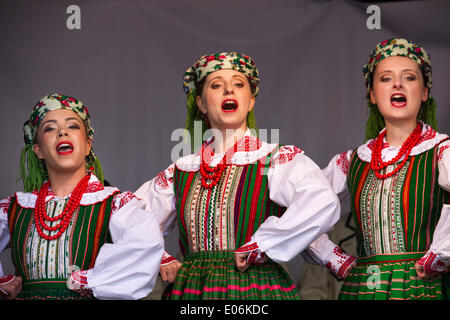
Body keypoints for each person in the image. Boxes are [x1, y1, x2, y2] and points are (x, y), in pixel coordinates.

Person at [134, 52, 341, 299]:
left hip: (255, 290)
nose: (228, 90)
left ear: (251, 100)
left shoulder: (272, 160)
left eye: (238, 84)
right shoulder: (182, 170)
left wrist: (264, 243)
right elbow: (131, 217)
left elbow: (321, 201)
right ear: (200, 102)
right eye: (217, 84)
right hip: (193, 292)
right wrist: (158, 256)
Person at [305, 38, 450, 300]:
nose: (397, 84)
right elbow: (299, 211)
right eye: (385, 78)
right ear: (372, 94)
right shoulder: (352, 161)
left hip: (424, 287)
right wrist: (332, 257)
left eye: (409, 77)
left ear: (425, 91)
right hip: (364, 289)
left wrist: (440, 254)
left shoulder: (442, 151)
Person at [0, 93, 163, 300]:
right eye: (50, 128)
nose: (62, 132)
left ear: (87, 145)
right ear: (38, 149)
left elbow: (144, 248)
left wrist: (93, 280)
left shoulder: (113, 204)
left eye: (73, 126)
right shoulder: (16, 207)